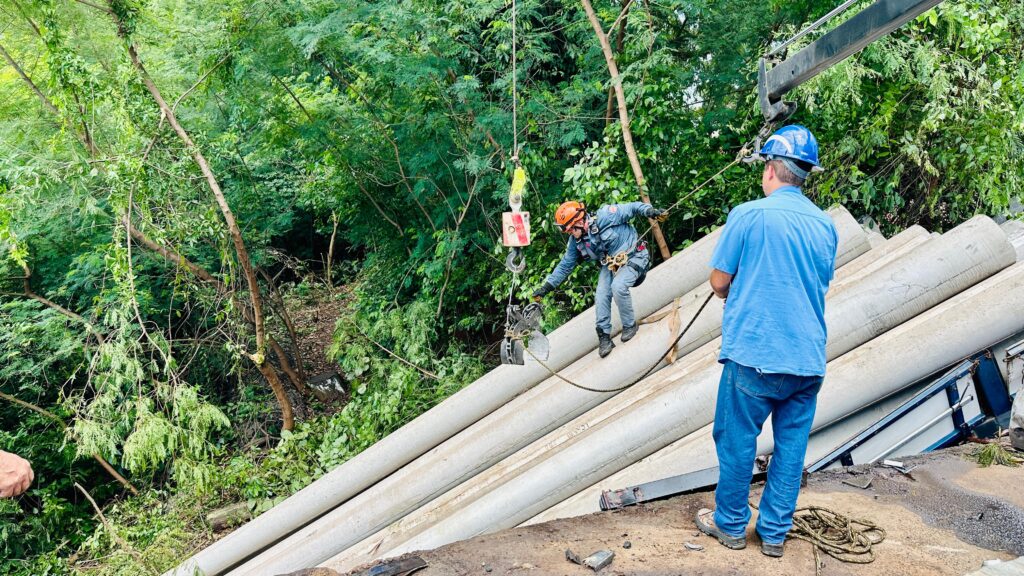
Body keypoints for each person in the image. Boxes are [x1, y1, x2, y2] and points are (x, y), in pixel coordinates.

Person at [695, 125, 838, 558]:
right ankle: (774, 535)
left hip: (755, 355)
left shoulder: (749, 214)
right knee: (791, 451)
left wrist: (731, 289)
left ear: (772, 169)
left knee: (737, 441)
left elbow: (719, 280)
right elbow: (818, 282)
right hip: (807, 360)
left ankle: (732, 526)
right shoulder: (825, 225)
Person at [533, 200, 666, 358]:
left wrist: (650, 211)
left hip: (634, 255)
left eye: (571, 230)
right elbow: (565, 265)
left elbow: (632, 208)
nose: (570, 234)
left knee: (618, 286)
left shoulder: (606, 215)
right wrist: (546, 287)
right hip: (611, 265)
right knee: (601, 295)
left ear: (580, 222)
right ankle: (604, 337)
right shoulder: (575, 241)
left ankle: (629, 326)